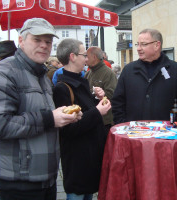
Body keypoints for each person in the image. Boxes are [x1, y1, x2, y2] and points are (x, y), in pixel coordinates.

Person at [0, 18, 82, 200]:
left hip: (46, 178)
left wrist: (65, 116)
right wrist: (50, 118)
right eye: (37, 40)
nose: (44, 45)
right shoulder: (1, 73)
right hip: (18, 182)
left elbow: (45, 118)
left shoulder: (41, 75)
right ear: (21, 40)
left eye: (48, 42)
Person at [53, 39, 111, 200]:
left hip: (88, 158)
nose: (86, 58)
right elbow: (69, 129)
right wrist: (98, 111)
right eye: (83, 54)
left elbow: (86, 111)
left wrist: (98, 99)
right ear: (72, 56)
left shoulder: (81, 80)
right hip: (78, 161)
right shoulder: (62, 88)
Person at [112, 28, 177, 124]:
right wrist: (122, 124)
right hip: (134, 135)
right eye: (138, 44)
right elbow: (118, 102)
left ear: (157, 45)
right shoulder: (128, 71)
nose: (138, 48)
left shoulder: (176, 70)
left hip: (167, 135)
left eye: (144, 44)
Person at [85, 46, 117, 133]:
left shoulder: (108, 73)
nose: (85, 59)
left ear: (94, 57)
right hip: (92, 118)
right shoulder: (88, 73)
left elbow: (112, 94)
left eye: (87, 56)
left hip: (104, 121)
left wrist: (96, 93)